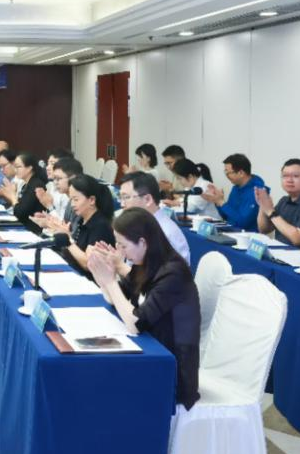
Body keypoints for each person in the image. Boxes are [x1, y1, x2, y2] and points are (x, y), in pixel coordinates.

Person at [86, 207, 200, 408]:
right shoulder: (146, 261)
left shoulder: (173, 272)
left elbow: (135, 323)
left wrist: (110, 281)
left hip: (173, 371)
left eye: (123, 246)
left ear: (143, 242)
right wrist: (101, 273)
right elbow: (116, 299)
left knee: (102, 382)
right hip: (150, 349)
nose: (120, 252)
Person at [117, 172, 190, 263]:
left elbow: (156, 272)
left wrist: (120, 267)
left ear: (147, 200)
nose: (122, 204)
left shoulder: (166, 234)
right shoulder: (138, 223)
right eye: (120, 197)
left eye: (126, 197)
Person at [256, 158, 300, 248]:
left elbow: (298, 239)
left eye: (295, 176)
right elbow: (264, 229)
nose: (289, 180)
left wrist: (271, 212)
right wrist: (263, 206)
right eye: (285, 176)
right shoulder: (284, 200)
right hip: (279, 253)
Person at [56, 175, 116, 276]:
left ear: (92, 200)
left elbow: (89, 264)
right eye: (71, 200)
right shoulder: (81, 220)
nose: (72, 204)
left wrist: (68, 240)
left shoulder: (101, 226)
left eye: (76, 199)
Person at [201, 153, 266, 232]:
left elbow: (243, 223)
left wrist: (221, 202)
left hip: (247, 235)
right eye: (225, 172)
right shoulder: (236, 187)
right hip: (231, 231)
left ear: (241, 173)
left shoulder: (257, 191)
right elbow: (226, 217)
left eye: (228, 173)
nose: (227, 176)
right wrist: (217, 201)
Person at [0, 153, 49, 234]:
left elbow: (19, 213)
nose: (16, 170)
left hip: (32, 231)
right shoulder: (26, 184)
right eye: (15, 167)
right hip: (24, 226)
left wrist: (12, 195)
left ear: (29, 168)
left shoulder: (36, 185)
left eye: (18, 167)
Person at [32, 157, 83, 229]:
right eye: (54, 179)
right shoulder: (69, 199)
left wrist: (50, 206)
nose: (55, 183)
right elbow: (64, 224)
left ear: (73, 178)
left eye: (59, 179)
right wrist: (48, 219)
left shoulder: (80, 201)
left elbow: (69, 230)